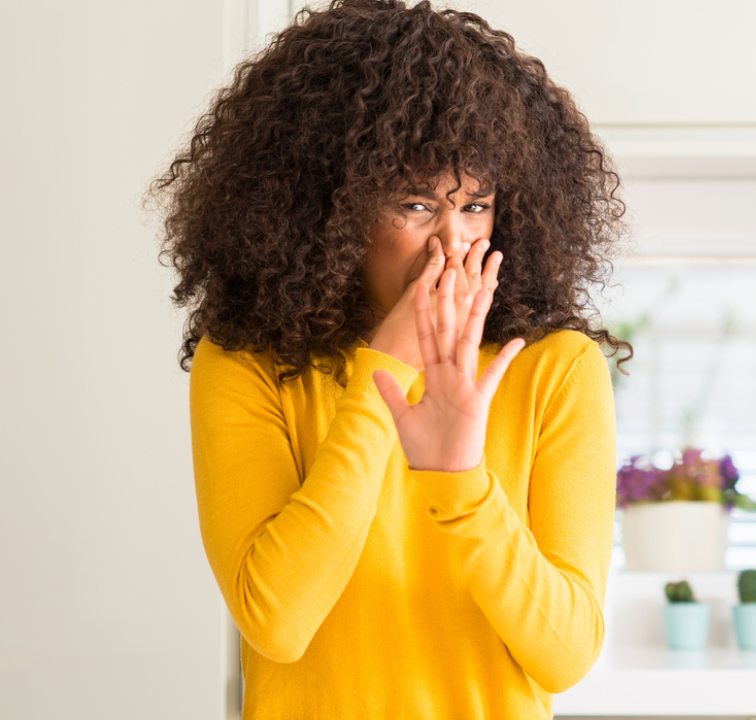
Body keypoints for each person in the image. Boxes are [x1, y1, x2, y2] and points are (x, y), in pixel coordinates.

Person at [148, 1, 632, 716]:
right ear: (328, 208)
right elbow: (277, 623)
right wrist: (385, 379)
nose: (450, 242)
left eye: (475, 207)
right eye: (413, 204)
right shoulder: (249, 363)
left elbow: (564, 654)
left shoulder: (553, 368)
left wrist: (462, 482)